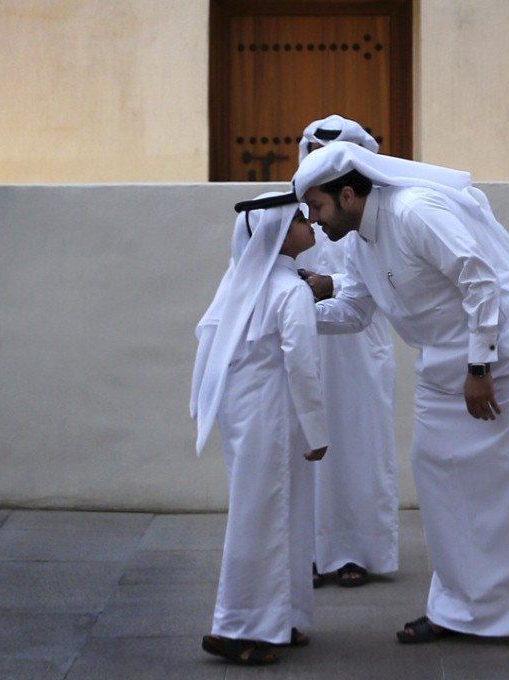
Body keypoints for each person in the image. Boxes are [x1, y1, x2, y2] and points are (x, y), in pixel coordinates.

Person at [292, 142, 509, 650]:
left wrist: (480, 364)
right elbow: (353, 311)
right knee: (438, 468)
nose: (315, 220)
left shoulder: (415, 211)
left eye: (318, 207)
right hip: (443, 361)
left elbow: (480, 279)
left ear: (348, 195)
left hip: (505, 350)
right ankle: (460, 607)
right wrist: (287, 314)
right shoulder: (358, 243)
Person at [190, 193, 329, 666]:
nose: (309, 222)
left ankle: (280, 618)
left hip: (246, 410)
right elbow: (303, 366)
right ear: (277, 234)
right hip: (271, 412)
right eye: (297, 219)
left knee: (280, 511)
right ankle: (237, 626)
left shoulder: (244, 281)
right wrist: (317, 429)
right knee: (262, 515)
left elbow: (209, 339)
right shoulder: (289, 290)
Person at [296, 115, 399, 588]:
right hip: (311, 346)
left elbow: (371, 285)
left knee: (361, 449)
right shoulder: (303, 216)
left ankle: (358, 552)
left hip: (360, 345)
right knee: (312, 446)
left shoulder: (370, 216)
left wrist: (328, 284)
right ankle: (314, 552)